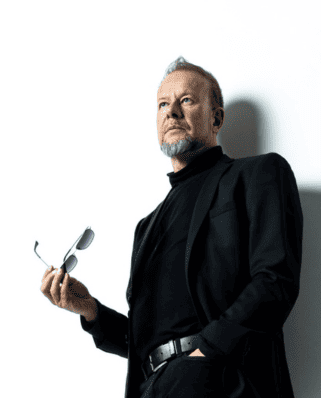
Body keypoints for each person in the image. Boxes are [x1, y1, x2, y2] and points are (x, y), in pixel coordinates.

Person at [41, 56, 303, 398]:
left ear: (216, 118)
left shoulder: (258, 174)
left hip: (223, 381)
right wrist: (91, 311)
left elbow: (275, 281)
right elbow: (146, 341)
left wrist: (204, 354)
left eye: (187, 100)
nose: (172, 112)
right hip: (152, 387)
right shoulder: (146, 227)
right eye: (163, 104)